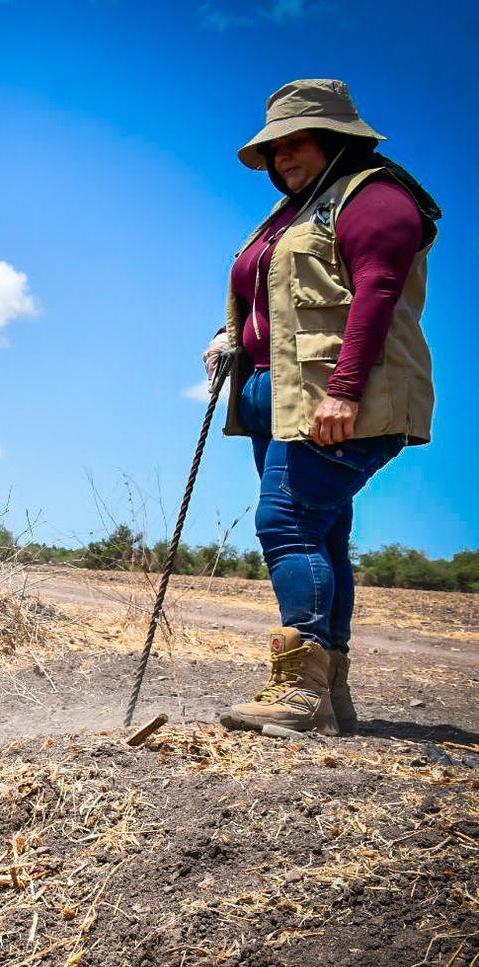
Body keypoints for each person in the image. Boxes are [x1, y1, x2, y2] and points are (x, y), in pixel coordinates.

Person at [208, 79, 441, 736]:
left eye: (296, 142)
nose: (282, 158)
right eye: (274, 149)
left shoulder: (377, 199)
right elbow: (272, 302)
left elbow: (378, 291)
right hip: (276, 398)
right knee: (321, 531)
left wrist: (344, 389)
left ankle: (296, 690)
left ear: (336, 137)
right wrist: (230, 338)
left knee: (286, 523)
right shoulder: (296, 212)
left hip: (333, 398)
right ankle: (330, 698)